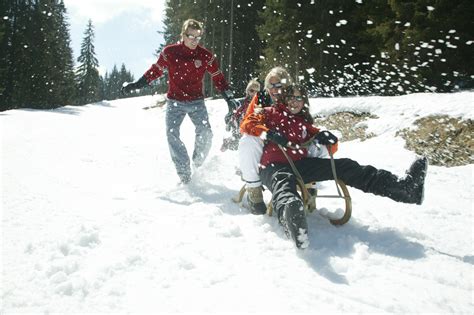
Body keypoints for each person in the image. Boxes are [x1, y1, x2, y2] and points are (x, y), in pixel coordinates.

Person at [240, 84, 428, 249]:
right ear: (284, 98)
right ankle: (292, 217)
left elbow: (330, 147)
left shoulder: (304, 123)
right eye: (291, 97)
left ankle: (404, 189)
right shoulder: (269, 113)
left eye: (299, 98)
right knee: (284, 184)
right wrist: (268, 133)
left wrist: (327, 140)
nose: (295, 102)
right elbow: (248, 124)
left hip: (301, 165)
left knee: (346, 166)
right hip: (273, 166)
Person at [121, 19, 239, 184]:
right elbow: (156, 70)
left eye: (198, 37)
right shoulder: (170, 52)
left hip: (197, 102)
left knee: (206, 133)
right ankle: (184, 173)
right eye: (191, 36)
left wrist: (228, 97)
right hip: (175, 102)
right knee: (172, 134)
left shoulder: (205, 56)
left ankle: (197, 163)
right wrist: (137, 84)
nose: (194, 40)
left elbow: (218, 78)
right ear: (183, 35)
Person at [238, 67, 293, 215]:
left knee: (319, 143)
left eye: (278, 86)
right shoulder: (262, 98)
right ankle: (254, 192)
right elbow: (248, 123)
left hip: (290, 143)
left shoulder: (294, 96)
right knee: (247, 141)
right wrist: (266, 132)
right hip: (266, 141)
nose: (274, 90)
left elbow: (305, 121)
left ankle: (310, 187)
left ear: (286, 85)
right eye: (271, 86)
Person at [221, 79, 261, 152]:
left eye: (257, 91)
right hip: (239, 130)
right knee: (238, 146)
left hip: (253, 131)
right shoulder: (241, 103)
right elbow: (231, 114)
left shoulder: (260, 103)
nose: (254, 93)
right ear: (248, 91)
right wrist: (230, 122)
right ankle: (227, 143)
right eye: (252, 91)